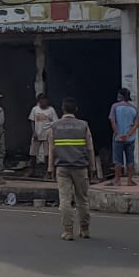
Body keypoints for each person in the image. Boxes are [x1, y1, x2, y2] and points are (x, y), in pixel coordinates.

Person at [47, 98, 97, 240]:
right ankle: (85, 229)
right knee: (82, 199)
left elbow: (51, 148)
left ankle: (68, 231)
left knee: (65, 199)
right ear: (76, 110)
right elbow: (90, 148)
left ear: (63, 109)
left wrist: (50, 167)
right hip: (80, 167)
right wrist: (92, 167)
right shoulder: (83, 125)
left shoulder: (55, 126)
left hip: (62, 167)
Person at [108, 88, 139, 186]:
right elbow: (136, 124)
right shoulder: (134, 109)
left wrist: (118, 134)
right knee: (130, 160)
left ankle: (117, 180)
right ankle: (129, 180)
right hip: (130, 139)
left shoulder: (115, 106)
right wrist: (128, 134)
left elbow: (112, 121)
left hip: (118, 138)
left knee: (118, 160)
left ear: (120, 96)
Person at [28, 94, 57, 174]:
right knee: (33, 153)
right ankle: (32, 170)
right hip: (37, 134)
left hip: (47, 134)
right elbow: (32, 121)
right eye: (42, 100)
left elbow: (55, 122)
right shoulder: (35, 109)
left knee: (47, 154)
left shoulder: (51, 110)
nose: (44, 102)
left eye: (45, 100)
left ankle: (47, 171)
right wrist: (34, 132)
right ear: (39, 101)